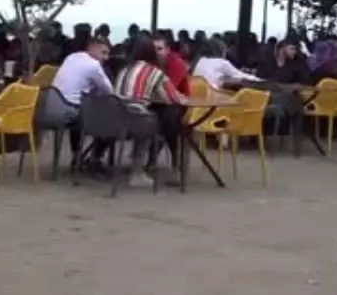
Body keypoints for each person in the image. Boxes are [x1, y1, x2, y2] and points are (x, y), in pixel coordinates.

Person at [114, 38, 188, 188]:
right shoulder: (154, 72)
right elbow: (172, 98)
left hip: (115, 117)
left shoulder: (125, 69)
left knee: (145, 116)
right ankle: (137, 173)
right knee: (159, 121)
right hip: (136, 119)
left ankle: (142, 165)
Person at [45, 37, 114, 160]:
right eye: (103, 53)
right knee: (107, 122)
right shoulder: (94, 65)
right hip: (66, 111)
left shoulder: (72, 57)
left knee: (80, 116)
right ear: (92, 48)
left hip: (49, 108)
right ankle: (94, 158)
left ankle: (77, 157)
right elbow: (109, 91)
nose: (106, 58)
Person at [192, 38, 259, 89]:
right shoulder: (222, 63)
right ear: (220, 50)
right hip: (213, 98)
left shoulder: (200, 61)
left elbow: (217, 78)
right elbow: (241, 76)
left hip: (198, 96)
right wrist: (260, 80)